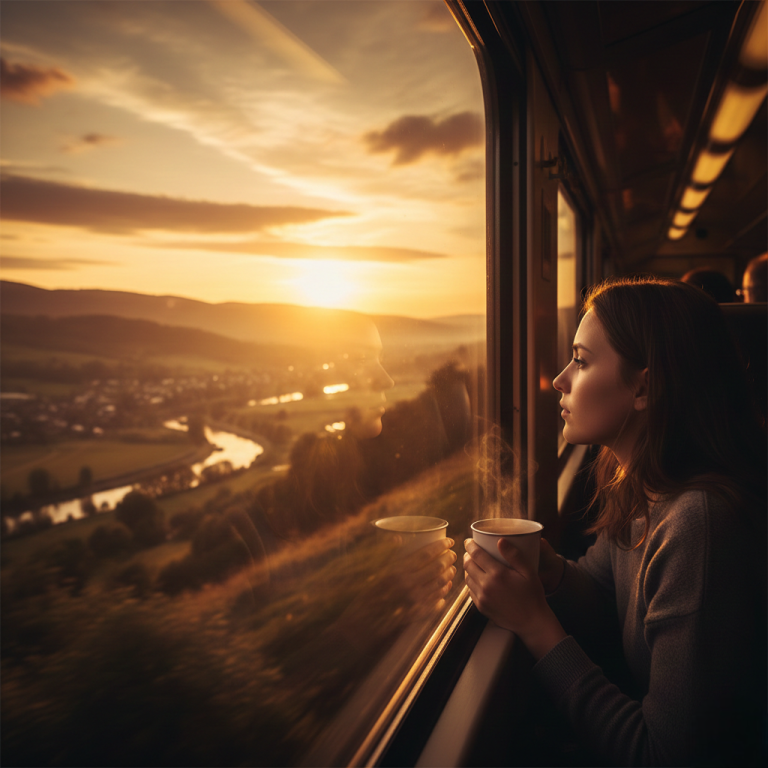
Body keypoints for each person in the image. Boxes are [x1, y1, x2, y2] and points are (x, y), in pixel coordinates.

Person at [463, 277, 767, 766]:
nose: (559, 379)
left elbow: (661, 755)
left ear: (643, 387)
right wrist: (550, 571)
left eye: (581, 361)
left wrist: (535, 624)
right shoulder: (643, 490)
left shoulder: (699, 526)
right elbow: (608, 598)